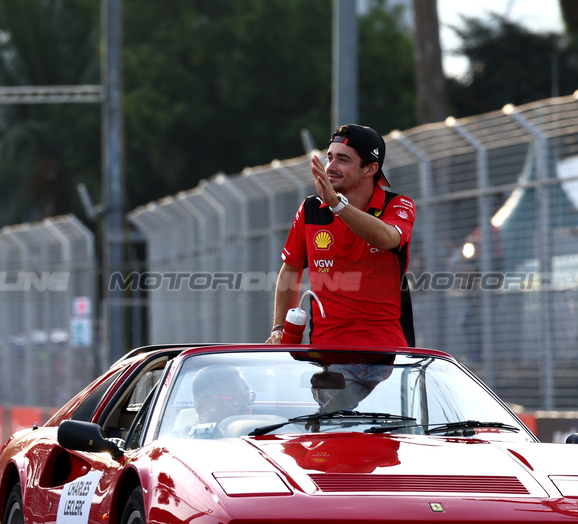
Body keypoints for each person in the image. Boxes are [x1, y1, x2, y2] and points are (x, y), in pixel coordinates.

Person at [268, 124, 417, 347]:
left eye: (343, 160)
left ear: (370, 169)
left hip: (385, 354)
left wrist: (337, 205)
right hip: (326, 353)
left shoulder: (397, 205)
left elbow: (387, 238)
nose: (330, 167)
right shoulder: (311, 208)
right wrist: (279, 328)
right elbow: (291, 268)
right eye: (330, 157)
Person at [171, 364, 255, 438]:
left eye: (247, 396)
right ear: (204, 405)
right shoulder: (177, 442)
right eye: (237, 397)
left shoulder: (261, 437)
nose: (246, 406)